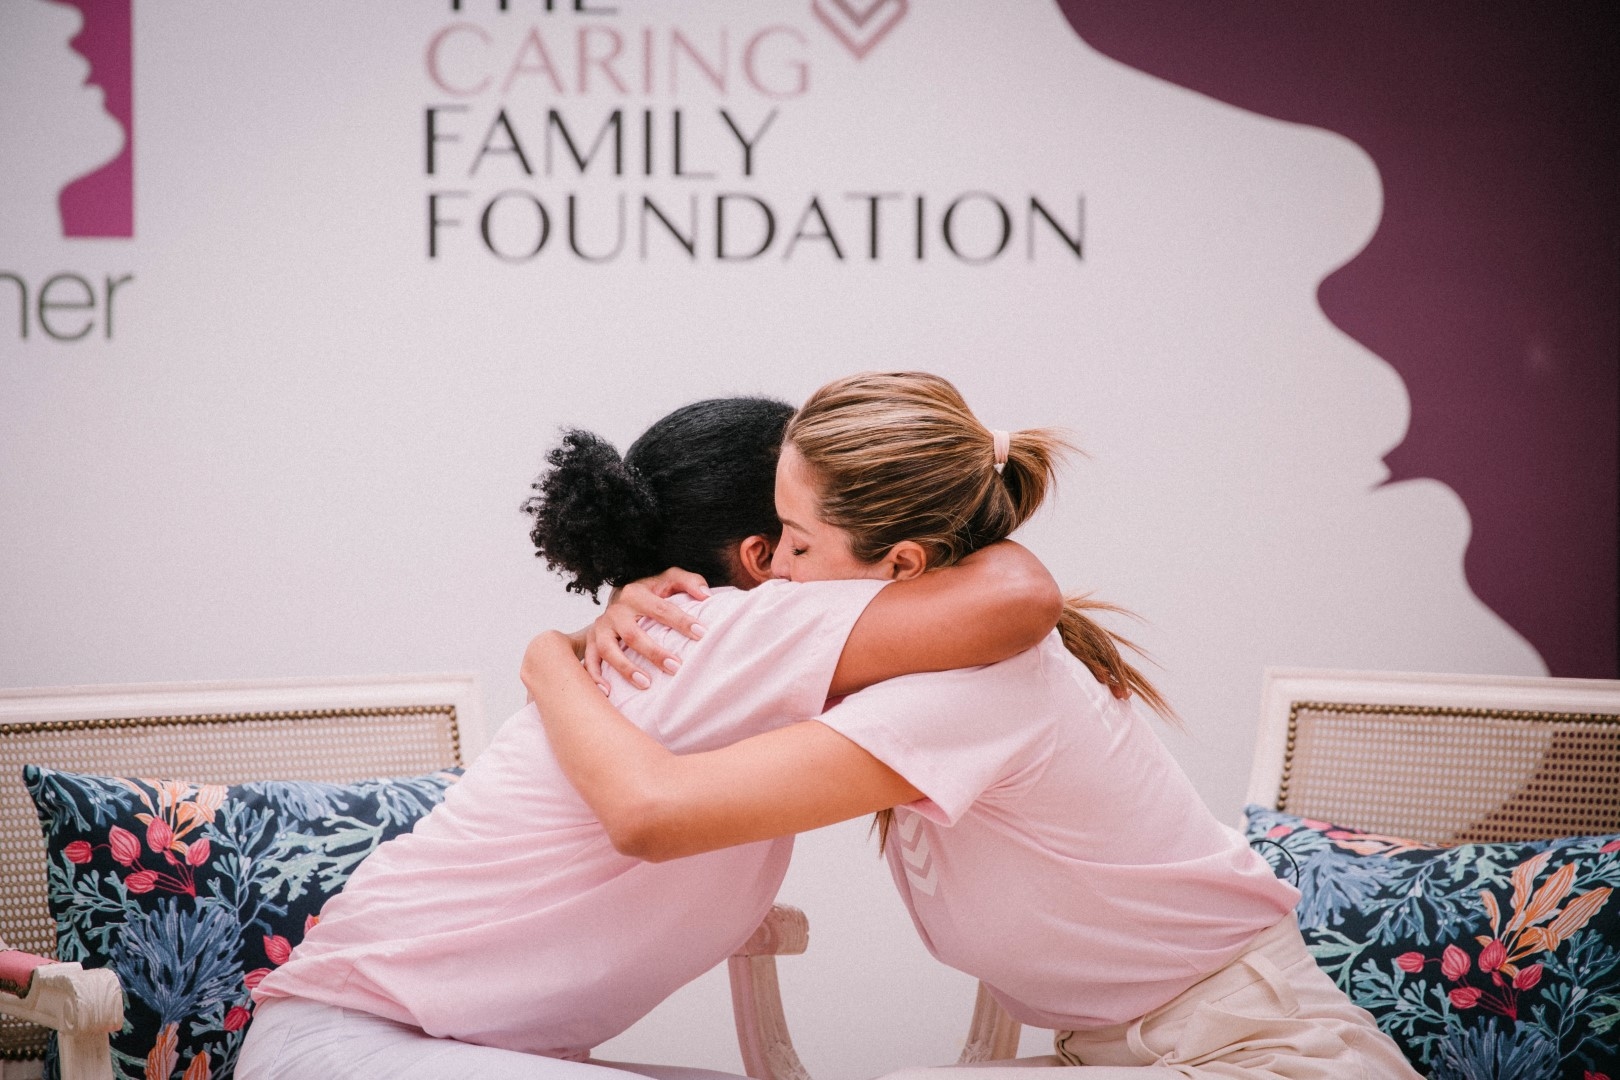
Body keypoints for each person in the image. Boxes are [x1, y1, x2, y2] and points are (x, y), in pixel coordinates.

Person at [522, 372, 1423, 1079]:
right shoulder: (920, 662)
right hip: (1140, 1054)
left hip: (1262, 1057)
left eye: (796, 541)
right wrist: (611, 618)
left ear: (903, 564)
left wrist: (544, 659)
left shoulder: (973, 691)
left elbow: (653, 815)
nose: (777, 575)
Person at [237, 395, 1060, 1080]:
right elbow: (1019, 597)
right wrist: (546, 655)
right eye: (802, 528)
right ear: (762, 556)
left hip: (399, 1045)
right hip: (355, 1047)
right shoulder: (730, 627)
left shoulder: (674, 637)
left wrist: (546, 652)